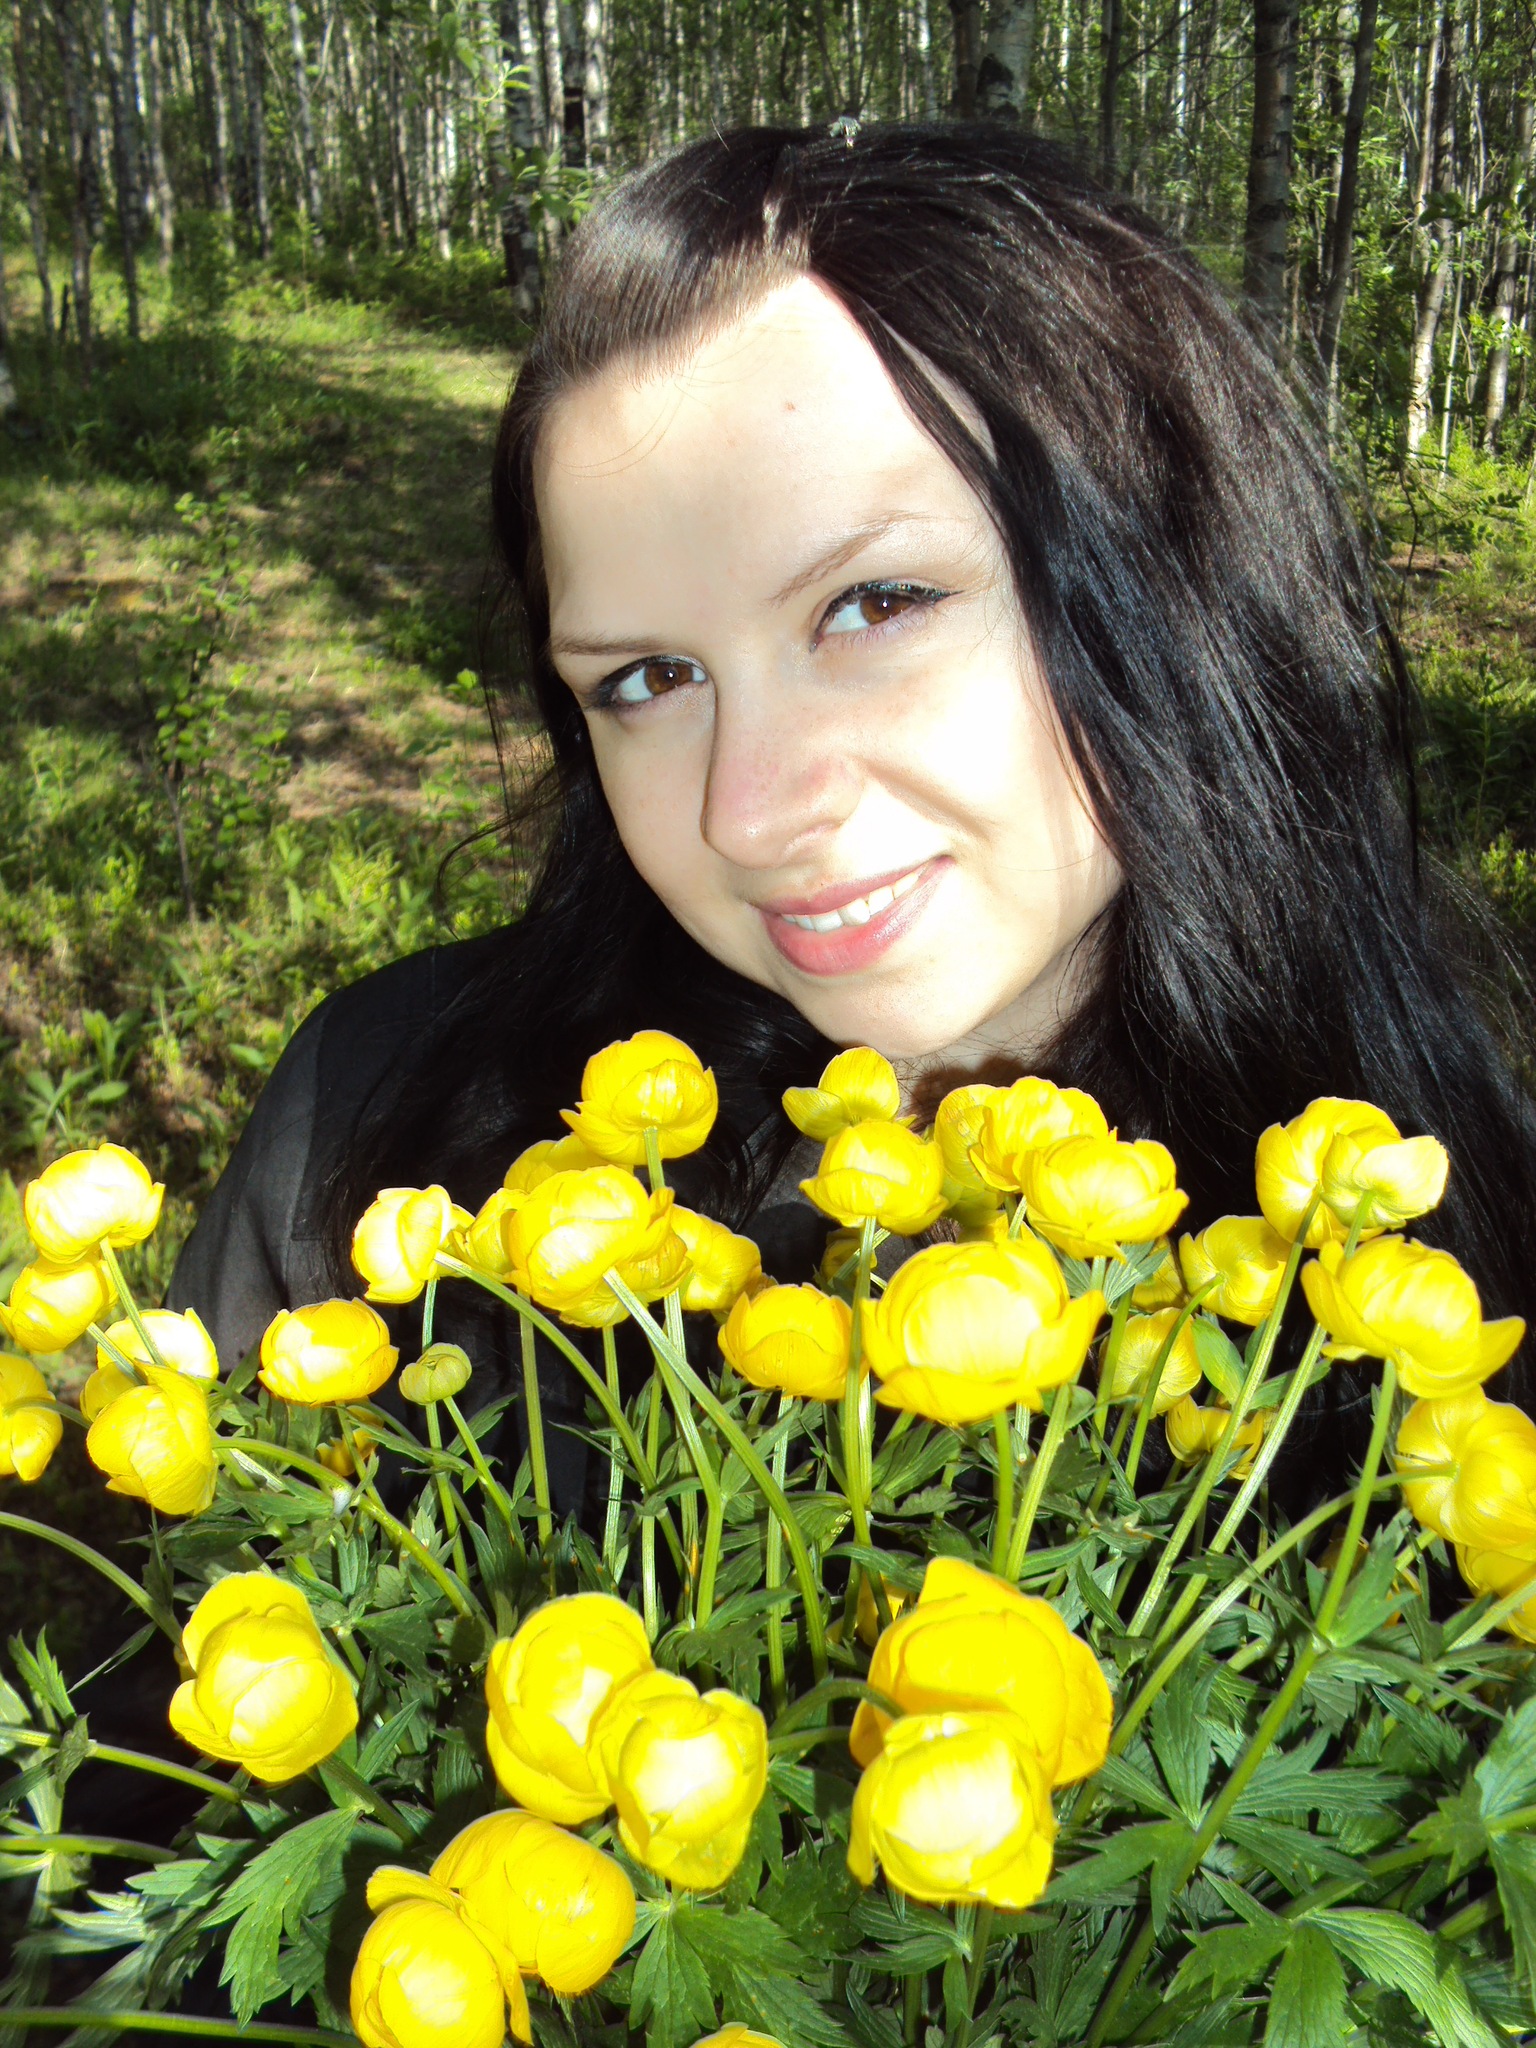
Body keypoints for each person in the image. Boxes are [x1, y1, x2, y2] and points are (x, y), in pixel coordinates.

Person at [170, 121, 1536, 1516]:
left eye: (875, 604)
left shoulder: (1436, 1269)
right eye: (648, 680)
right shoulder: (371, 1140)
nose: (752, 814)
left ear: (1170, 585)